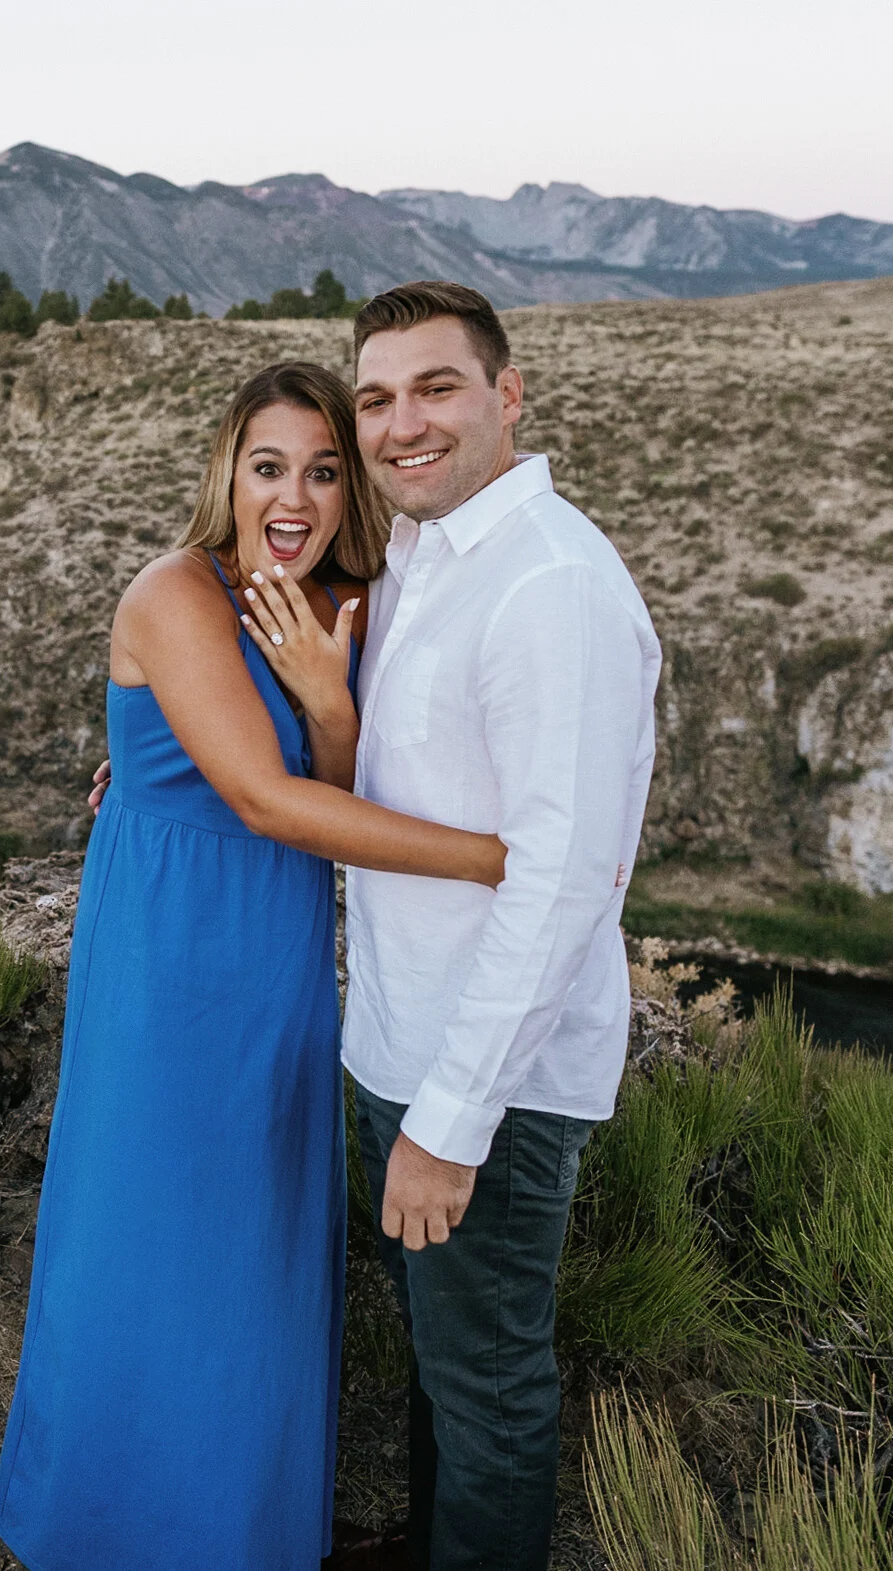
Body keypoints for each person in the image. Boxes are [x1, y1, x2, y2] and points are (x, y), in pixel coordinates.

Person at [0, 361, 509, 1571]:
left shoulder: (344, 598)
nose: (295, 497)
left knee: (257, 1242)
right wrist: (499, 859)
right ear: (227, 470)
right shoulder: (174, 591)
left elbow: (336, 782)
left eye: (324, 471)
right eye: (269, 467)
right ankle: (98, 1528)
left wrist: (329, 704)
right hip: (168, 955)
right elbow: (266, 802)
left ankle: (240, 1533)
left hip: (275, 952)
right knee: (149, 1224)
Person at [247, 282, 661, 1571]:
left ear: (507, 395)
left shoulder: (551, 587)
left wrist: (448, 1122)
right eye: (376, 398)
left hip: (486, 1081)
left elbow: (560, 884)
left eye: (436, 388)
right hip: (401, 1041)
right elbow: (389, 778)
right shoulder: (426, 556)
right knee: (441, 1358)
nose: (401, 423)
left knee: (488, 1385)